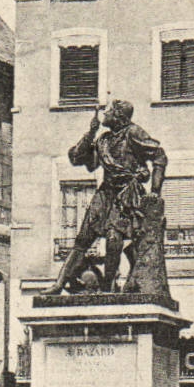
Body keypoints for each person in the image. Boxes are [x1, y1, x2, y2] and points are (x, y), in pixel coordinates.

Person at [47, 100, 169, 297]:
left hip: (126, 195)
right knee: (83, 239)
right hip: (105, 194)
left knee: (114, 240)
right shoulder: (103, 140)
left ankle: (107, 289)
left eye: (109, 111)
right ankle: (59, 284)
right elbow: (78, 158)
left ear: (119, 116)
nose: (105, 113)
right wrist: (90, 133)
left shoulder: (133, 133)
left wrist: (155, 190)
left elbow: (160, 156)